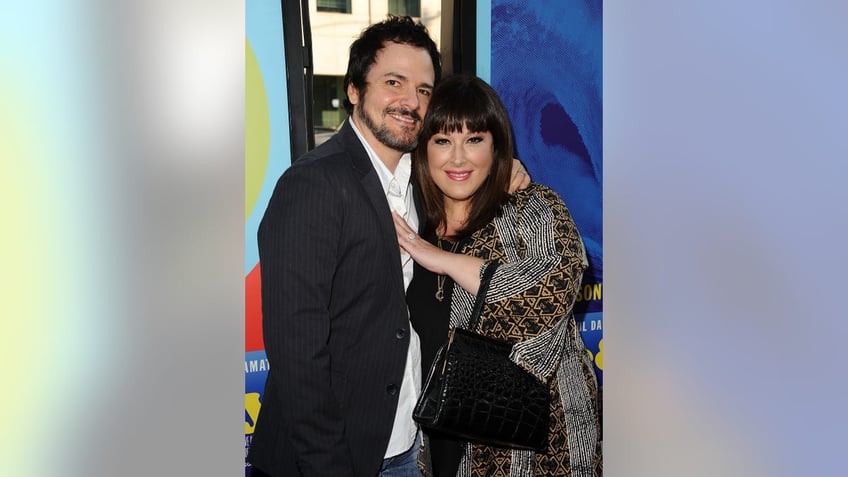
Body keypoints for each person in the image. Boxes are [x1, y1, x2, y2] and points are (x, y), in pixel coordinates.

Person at [247, 17, 530, 477]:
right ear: (355, 90)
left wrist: (507, 171)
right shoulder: (313, 184)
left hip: (407, 445)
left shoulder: (425, 180)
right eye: (393, 82)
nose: (411, 102)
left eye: (424, 89)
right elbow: (297, 353)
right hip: (329, 457)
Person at [393, 75, 603, 477]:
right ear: (423, 149)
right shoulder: (413, 218)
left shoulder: (533, 208)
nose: (458, 158)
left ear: (497, 146)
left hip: (534, 451)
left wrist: (442, 259)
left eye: (474, 140)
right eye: (442, 140)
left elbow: (547, 296)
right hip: (437, 445)